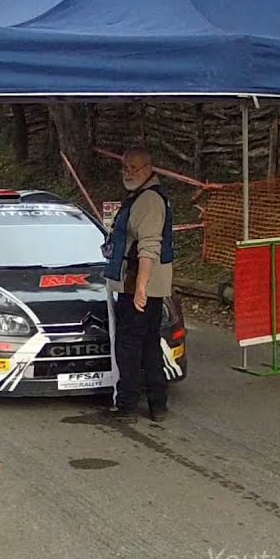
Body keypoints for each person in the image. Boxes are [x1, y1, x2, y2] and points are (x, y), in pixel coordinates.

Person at [101, 147, 174, 423]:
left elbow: (149, 248)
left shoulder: (148, 201)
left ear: (148, 169)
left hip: (138, 288)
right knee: (149, 344)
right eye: (124, 168)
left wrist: (140, 287)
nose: (128, 173)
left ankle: (128, 405)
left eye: (134, 168)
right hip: (143, 287)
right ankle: (158, 405)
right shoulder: (144, 197)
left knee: (130, 346)